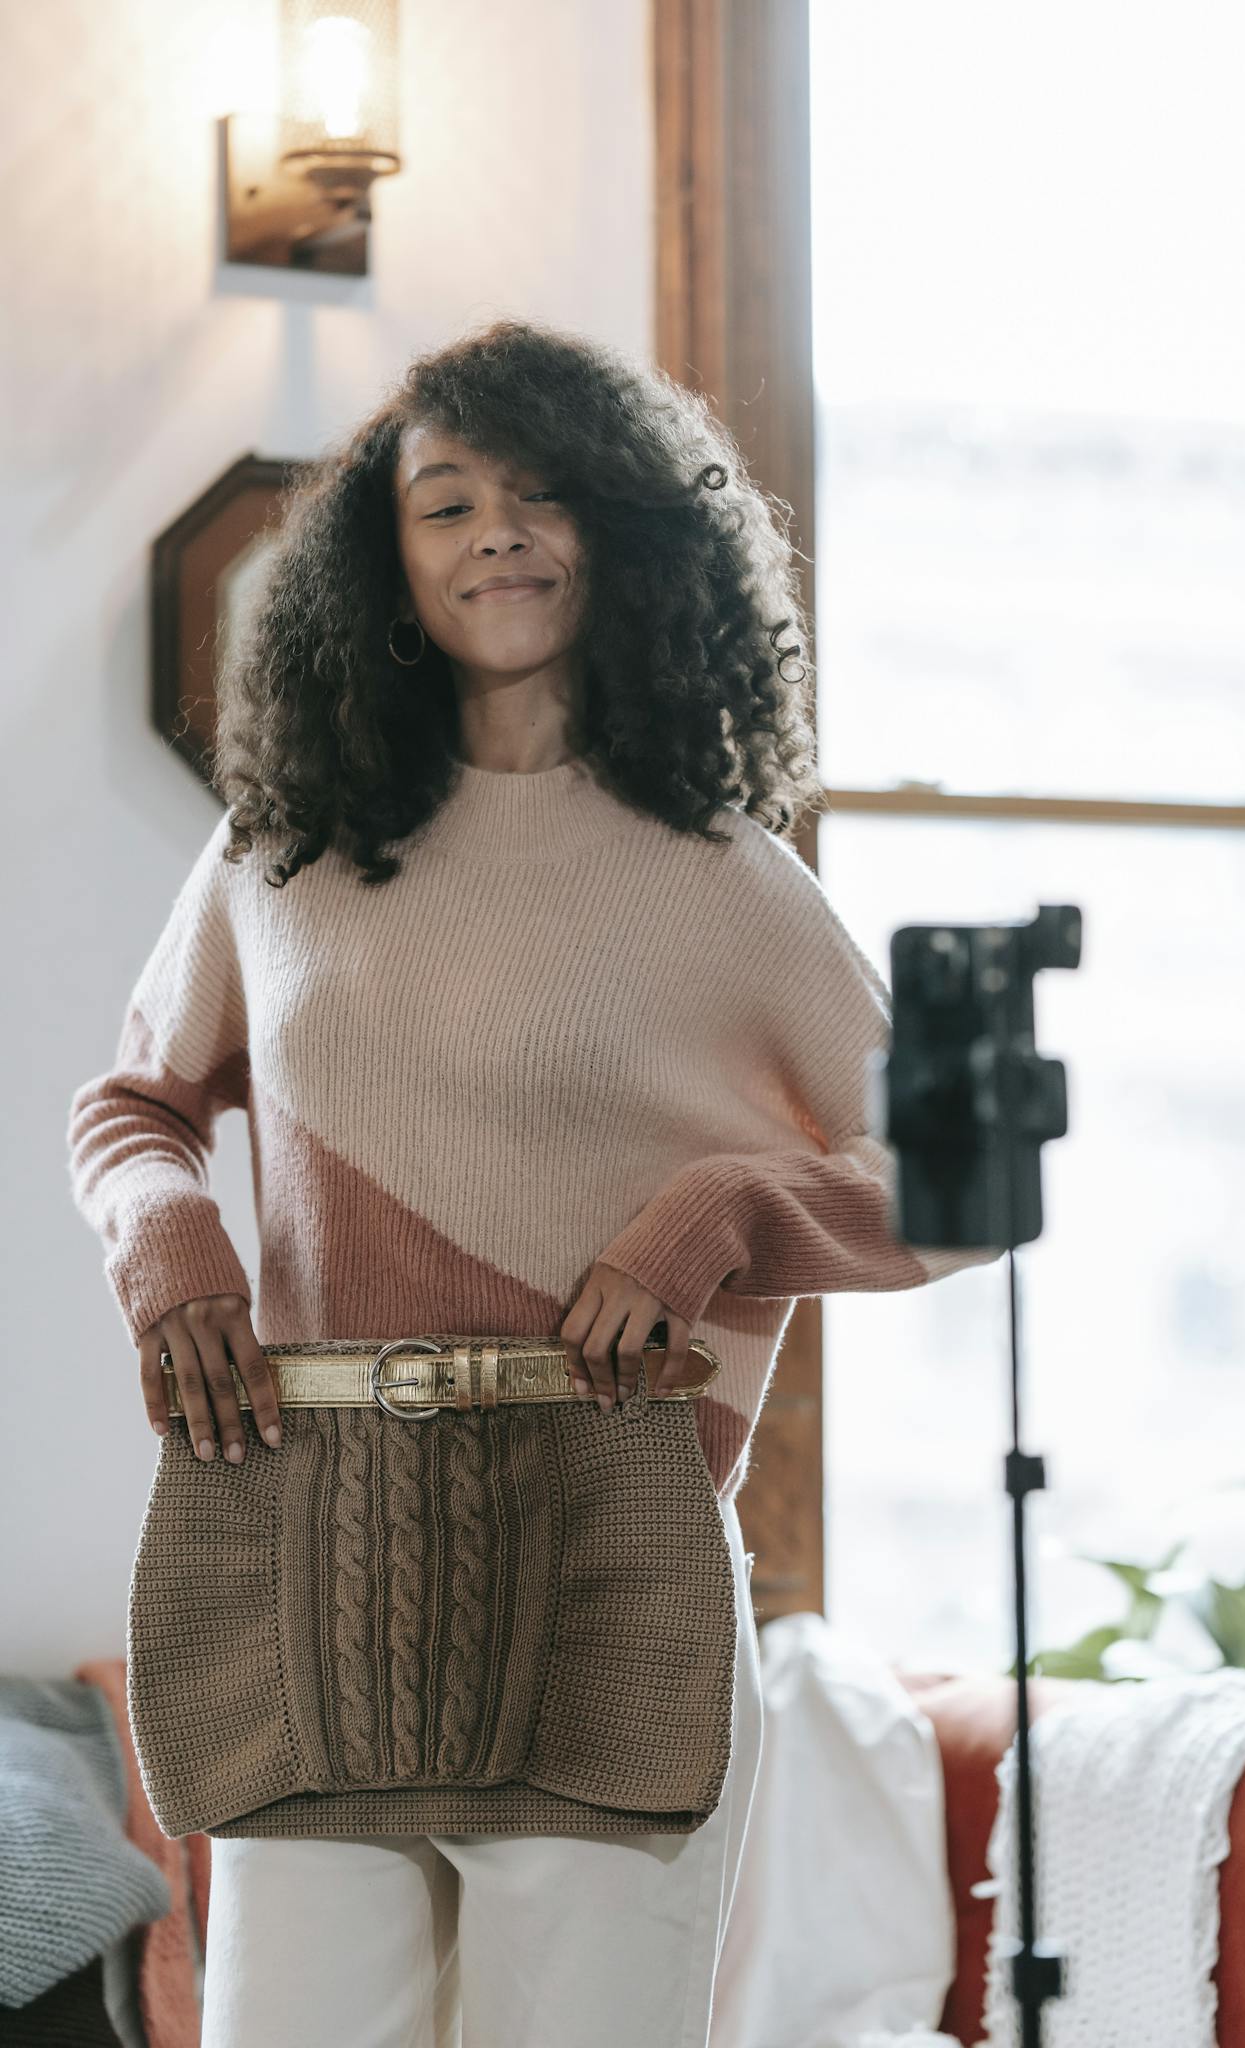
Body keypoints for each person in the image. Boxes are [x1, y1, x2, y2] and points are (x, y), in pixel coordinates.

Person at [66, 318, 998, 2048]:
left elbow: (956, 1180)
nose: (495, 529)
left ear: (625, 531)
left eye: (540, 491)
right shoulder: (280, 848)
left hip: (611, 1537)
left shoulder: (725, 875)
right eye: (445, 501)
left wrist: (722, 1208)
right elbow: (132, 1106)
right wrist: (170, 1239)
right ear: (385, 559)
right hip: (302, 1529)